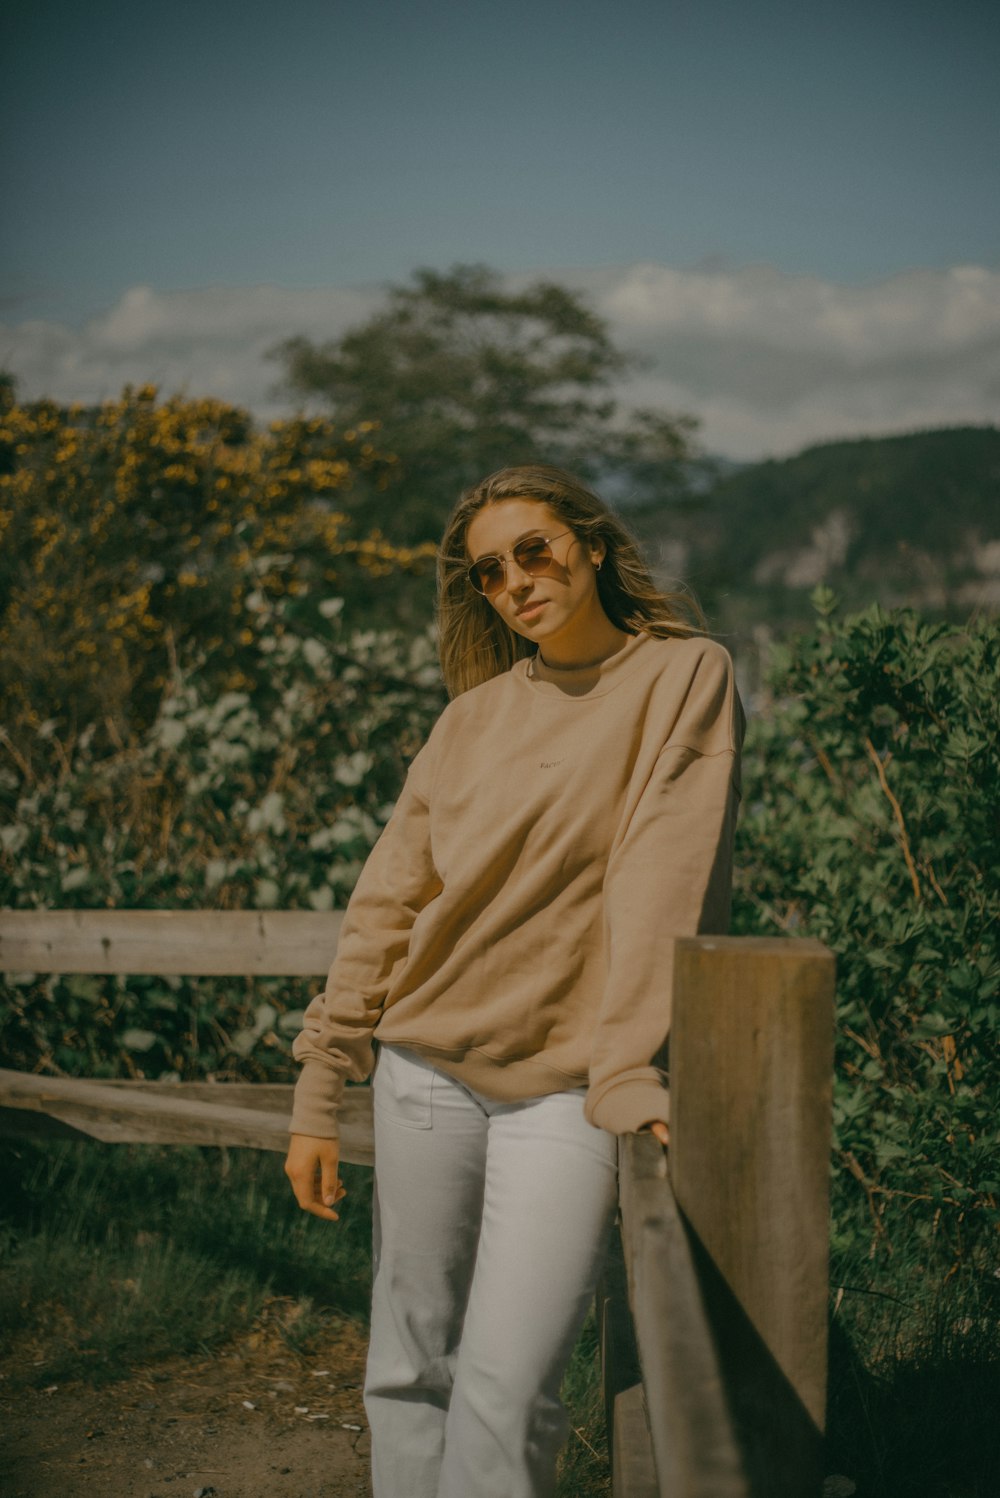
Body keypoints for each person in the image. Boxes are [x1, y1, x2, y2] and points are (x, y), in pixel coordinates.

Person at [285, 464, 744, 1498]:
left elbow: (666, 878)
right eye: (490, 571)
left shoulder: (684, 676)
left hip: (563, 1090)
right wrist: (322, 1084)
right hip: (421, 1073)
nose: (516, 580)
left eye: (533, 549)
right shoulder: (471, 718)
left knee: (507, 1380)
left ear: (587, 541)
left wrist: (626, 1070)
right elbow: (389, 905)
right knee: (407, 1368)